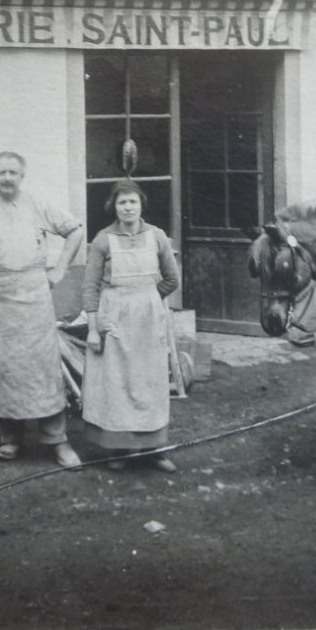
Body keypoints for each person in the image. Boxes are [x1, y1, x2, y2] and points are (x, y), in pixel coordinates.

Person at [0, 151, 84, 468]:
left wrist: (60, 269)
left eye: (13, 172)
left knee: (42, 367)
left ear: (22, 176)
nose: (7, 177)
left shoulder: (38, 205)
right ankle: (10, 439)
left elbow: (75, 230)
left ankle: (57, 441)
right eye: (2, 172)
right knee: (2, 366)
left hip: (34, 295)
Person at [81, 179, 181, 471]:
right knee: (118, 384)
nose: (127, 207)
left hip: (148, 321)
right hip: (114, 320)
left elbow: (172, 279)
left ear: (141, 205)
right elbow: (90, 288)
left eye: (132, 202)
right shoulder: (102, 240)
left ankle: (155, 449)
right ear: (114, 206)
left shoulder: (158, 236)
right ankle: (118, 450)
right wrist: (93, 327)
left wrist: (147, 298)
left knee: (150, 383)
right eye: (122, 202)